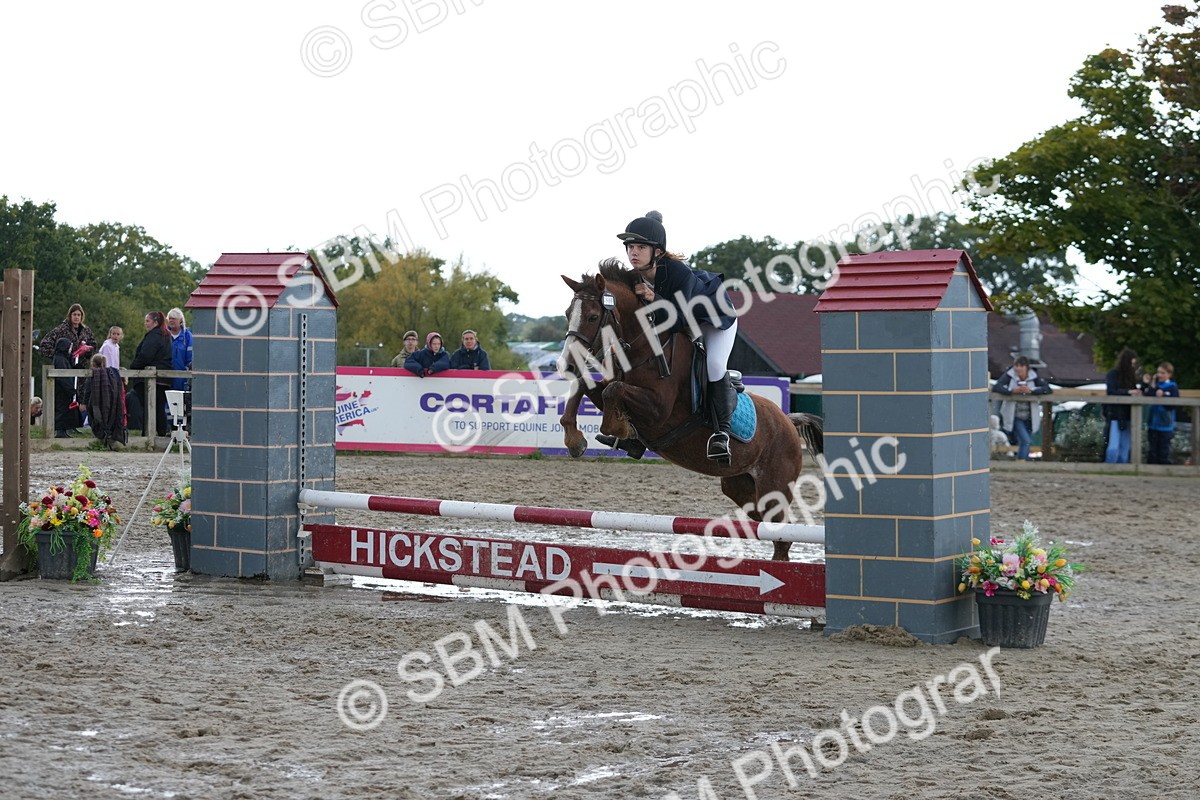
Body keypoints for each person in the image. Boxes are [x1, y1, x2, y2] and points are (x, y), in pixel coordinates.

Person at [613, 210, 739, 463]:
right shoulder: (635, 277)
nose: (633, 252)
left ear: (657, 252)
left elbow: (681, 319)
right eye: (630, 247)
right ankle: (634, 433)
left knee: (713, 364)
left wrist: (653, 298)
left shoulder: (678, 272)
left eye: (640, 247)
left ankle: (721, 434)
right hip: (680, 321)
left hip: (714, 318)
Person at [991, 356, 1053, 461]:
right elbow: (997, 387)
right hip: (1014, 415)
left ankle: (1023, 461)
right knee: (1026, 440)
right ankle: (1022, 462)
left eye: (1021, 366)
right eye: (1016, 365)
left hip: (1030, 415)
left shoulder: (1034, 376)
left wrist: (1031, 390)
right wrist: (1012, 391)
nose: (1018, 368)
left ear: (1027, 367)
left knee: (1026, 441)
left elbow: (1047, 389)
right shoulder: (1009, 375)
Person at [130, 311, 173, 435]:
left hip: (153, 378)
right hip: (164, 378)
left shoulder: (154, 336)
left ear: (155, 322)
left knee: (151, 407)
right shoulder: (166, 336)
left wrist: (133, 367)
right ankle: (161, 433)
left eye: (148, 321)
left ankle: (151, 434)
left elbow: (145, 356)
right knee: (158, 407)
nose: (145, 324)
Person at [78, 353, 127, 451]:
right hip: (110, 403)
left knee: (96, 417)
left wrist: (84, 403)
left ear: (93, 364)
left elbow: (87, 390)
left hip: (96, 402)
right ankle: (108, 437)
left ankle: (101, 436)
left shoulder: (93, 375)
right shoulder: (112, 375)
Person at [1104, 348, 1141, 464]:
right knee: (1113, 447)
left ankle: (1122, 468)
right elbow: (1111, 391)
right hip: (1116, 414)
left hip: (1128, 414)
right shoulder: (1113, 374)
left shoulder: (1131, 377)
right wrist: (1128, 392)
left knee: (1124, 449)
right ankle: (1109, 467)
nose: (1133, 367)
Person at [1143, 362, 1179, 465]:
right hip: (1153, 424)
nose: (1160, 375)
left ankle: (1164, 471)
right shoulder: (1156, 386)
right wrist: (1150, 383)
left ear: (1169, 374)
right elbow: (1148, 395)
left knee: (1163, 450)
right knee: (1152, 450)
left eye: (1163, 373)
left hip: (1165, 425)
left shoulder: (1172, 387)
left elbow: (1174, 405)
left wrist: (1164, 397)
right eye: (1158, 372)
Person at [51, 337, 83, 438]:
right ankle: (60, 430)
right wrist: (70, 389)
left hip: (65, 388)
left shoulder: (64, 358)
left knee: (65, 409)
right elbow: (63, 376)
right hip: (62, 389)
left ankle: (64, 429)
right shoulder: (60, 359)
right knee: (61, 409)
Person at [166, 308, 193, 391]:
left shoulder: (187, 336)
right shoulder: (165, 334)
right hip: (166, 376)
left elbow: (190, 357)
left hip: (183, 377)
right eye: (169, 318)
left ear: (180, 320)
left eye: (173, 318)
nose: (171, 320)